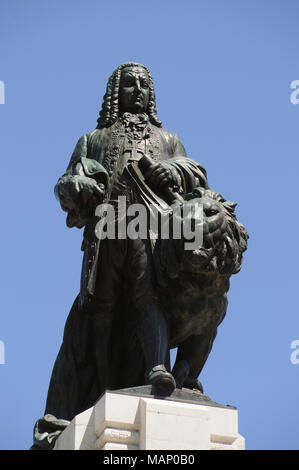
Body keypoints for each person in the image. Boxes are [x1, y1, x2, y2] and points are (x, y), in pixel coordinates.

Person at [32, 63, 209, 449]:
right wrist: (78, 182)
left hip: (153, 233)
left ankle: (160, 369)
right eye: (129, 83)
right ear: (116, 92)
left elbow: (193, 173)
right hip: (109, 230)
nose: (138, 89)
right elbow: (66, 182)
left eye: (145, 84)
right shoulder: (92, 139)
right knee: (101, 313)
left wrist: (171, 172)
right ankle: (104, 384)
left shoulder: (169, 139)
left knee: (151, 297)